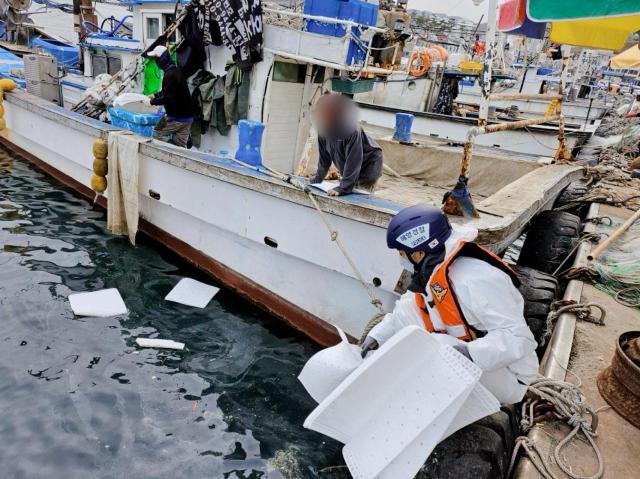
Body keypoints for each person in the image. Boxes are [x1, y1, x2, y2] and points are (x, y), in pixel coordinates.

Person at [360, 204, 539, 405]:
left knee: (437, 347)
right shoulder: (431, 277)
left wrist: (470, 354)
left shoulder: (477, 278)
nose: (401, 258)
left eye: (402, 253)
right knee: (422, 342)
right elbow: (407, 313)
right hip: (472, 364)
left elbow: (519, 338)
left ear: (418, 253)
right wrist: (377, 337)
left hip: (510, 378)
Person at [310, 94, 383, 196]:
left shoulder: (351, 130)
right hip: (348, 166)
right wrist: (318, 179)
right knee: (346, 188)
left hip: (368, 165)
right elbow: (324, 158)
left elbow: (354, 160)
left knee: (357, 197)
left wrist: (343, 188)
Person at [145, 45, 194, 148]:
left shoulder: (169, 75)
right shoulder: (175, 71)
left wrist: (151, 102)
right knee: (180, 145)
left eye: (156, 58)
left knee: (157, 133)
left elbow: (168, 98)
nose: (156, 61)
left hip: (176, 117)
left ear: (162, 59)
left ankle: (172, 149)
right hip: (188, 118)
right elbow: (170, 91)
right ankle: (177, 151)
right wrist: (155, 95)